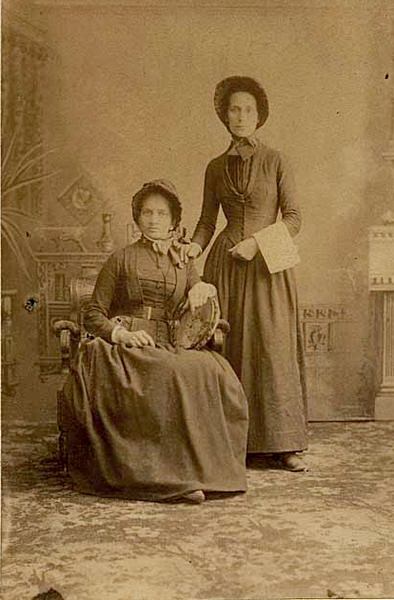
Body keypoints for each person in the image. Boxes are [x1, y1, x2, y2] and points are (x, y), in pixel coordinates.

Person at [61, 179, 249, 503]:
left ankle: (205, 474)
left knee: (214, 373)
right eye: (147, 212)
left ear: (174, 220)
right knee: (168, 373)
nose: (153, 219)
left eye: (162, 213)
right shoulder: (121, 259)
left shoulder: (184, 261)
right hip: (127, 344)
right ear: (138, 218)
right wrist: (122, 334)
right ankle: (166, 480)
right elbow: (94, 314)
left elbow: (199, 293)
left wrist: (202, 289)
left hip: (169, 343)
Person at [183, 76, 308, 471]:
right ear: (225, 115)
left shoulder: (277, 160)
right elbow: (206, 220)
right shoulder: (215, 166)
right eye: (234, 109)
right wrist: (195, 247)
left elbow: (294, 218)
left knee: (272, 349)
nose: (241, 116)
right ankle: (232, 441)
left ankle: (284, 444)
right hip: (226, 267)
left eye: (248, 110)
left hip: (268, 265)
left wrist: (256, 243)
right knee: (230, 349)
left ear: (259, 116)